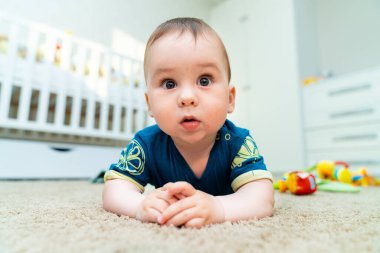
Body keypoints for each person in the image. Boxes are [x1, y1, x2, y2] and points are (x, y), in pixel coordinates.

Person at [102, 17, 274, 228]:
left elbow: (262, 198)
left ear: (230, 99)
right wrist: (139, 205)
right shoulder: (146, 144)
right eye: (169, 83)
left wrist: (218, 208)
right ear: (150, 104)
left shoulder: (238, 143)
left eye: (204, 80)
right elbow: (114, 188)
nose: (187, 97)